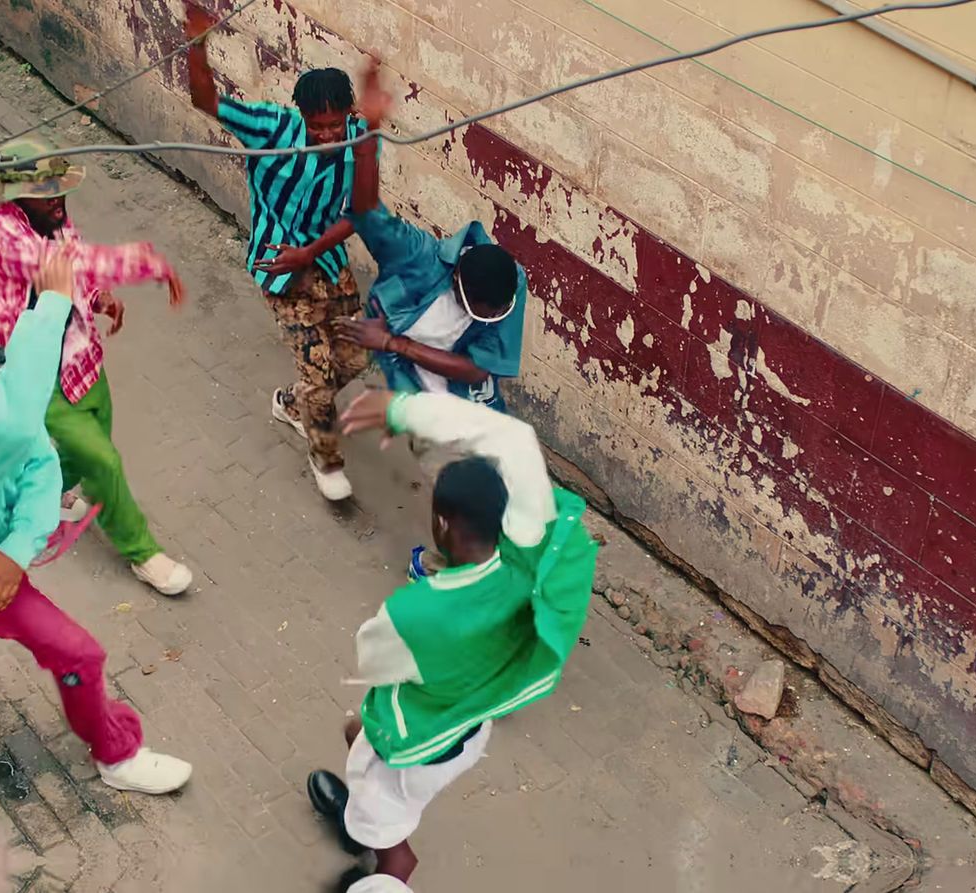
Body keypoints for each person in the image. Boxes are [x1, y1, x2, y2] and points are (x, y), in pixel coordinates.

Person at [0, 249, 192, 795]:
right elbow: (32, 459)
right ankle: (116, 754)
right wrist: (13, 557)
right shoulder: (6, 443)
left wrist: (56, 302)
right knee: (78, 654)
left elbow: (25, 390)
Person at [304, 388, 598, 889]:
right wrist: (406, 412)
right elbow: (515, 439)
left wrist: (398, 406)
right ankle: (365, 814)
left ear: (442, 522)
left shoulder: (417, 612)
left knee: (384, 809)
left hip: (414, 744)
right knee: (358, 736)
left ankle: (378, 859)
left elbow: (374, 662)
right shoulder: (537, 558)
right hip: (466, 727)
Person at [0, 134, 193, 595]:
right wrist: (146, 262)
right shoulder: (0, 234)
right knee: (103, 459)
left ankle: (53, 493)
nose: (58, 200)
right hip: (32, 369)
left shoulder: (53, 218)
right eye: (45, 191)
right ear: (16, 196)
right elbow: (63, 266)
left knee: (97, 428)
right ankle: (142, 553)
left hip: (78, 354)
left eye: (60, 189)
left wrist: (96, 298)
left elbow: (76, 270)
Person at [185, 4, 372, 502]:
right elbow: (205, 98)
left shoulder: (360, 137)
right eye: (320, 126)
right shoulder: (272, 128)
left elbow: (360, 212)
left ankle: (291, 403)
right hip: (281, 268)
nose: (329, 136)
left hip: (327, 262)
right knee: (317, 371)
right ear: (304, 116)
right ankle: (325, 457)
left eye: (337, 124)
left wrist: (311, 251)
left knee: (354, 358)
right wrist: (198, 44)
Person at [335, 63, 527, 420]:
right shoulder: (417, 257)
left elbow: (476, 370)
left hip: (441, 384)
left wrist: (395, 344)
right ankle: (299, 402)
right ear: (456, 281)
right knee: (336, 370)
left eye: (493, 314)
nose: (488, 321)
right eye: (479, 313)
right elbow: (365, 211)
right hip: (393, 343)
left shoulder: (511, 283)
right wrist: (369, 133)